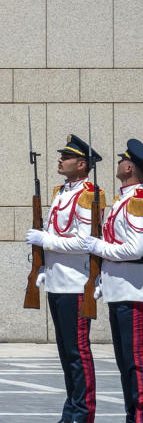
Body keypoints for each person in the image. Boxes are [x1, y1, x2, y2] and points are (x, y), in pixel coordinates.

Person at [26, 134, 104, 423]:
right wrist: (42, 265)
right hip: (58, 282)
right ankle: (70, 409)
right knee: (65, 353)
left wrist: (46, 241)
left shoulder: (88, 194)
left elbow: (85, 242)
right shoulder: (62, 191)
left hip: (76, 283)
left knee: (77, 352)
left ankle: (83, 413)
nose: (60, 159)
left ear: (82, 164)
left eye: (67, 157)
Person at [82, 139, 143, 423]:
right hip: (118, 291)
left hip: (133, 294)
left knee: (136, 365)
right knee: (125, 364)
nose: (118, 163)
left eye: (122, 160)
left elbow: (135, 249)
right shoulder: (124, 198)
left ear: (129, 166)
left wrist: (98, 248)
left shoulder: (137, 200)